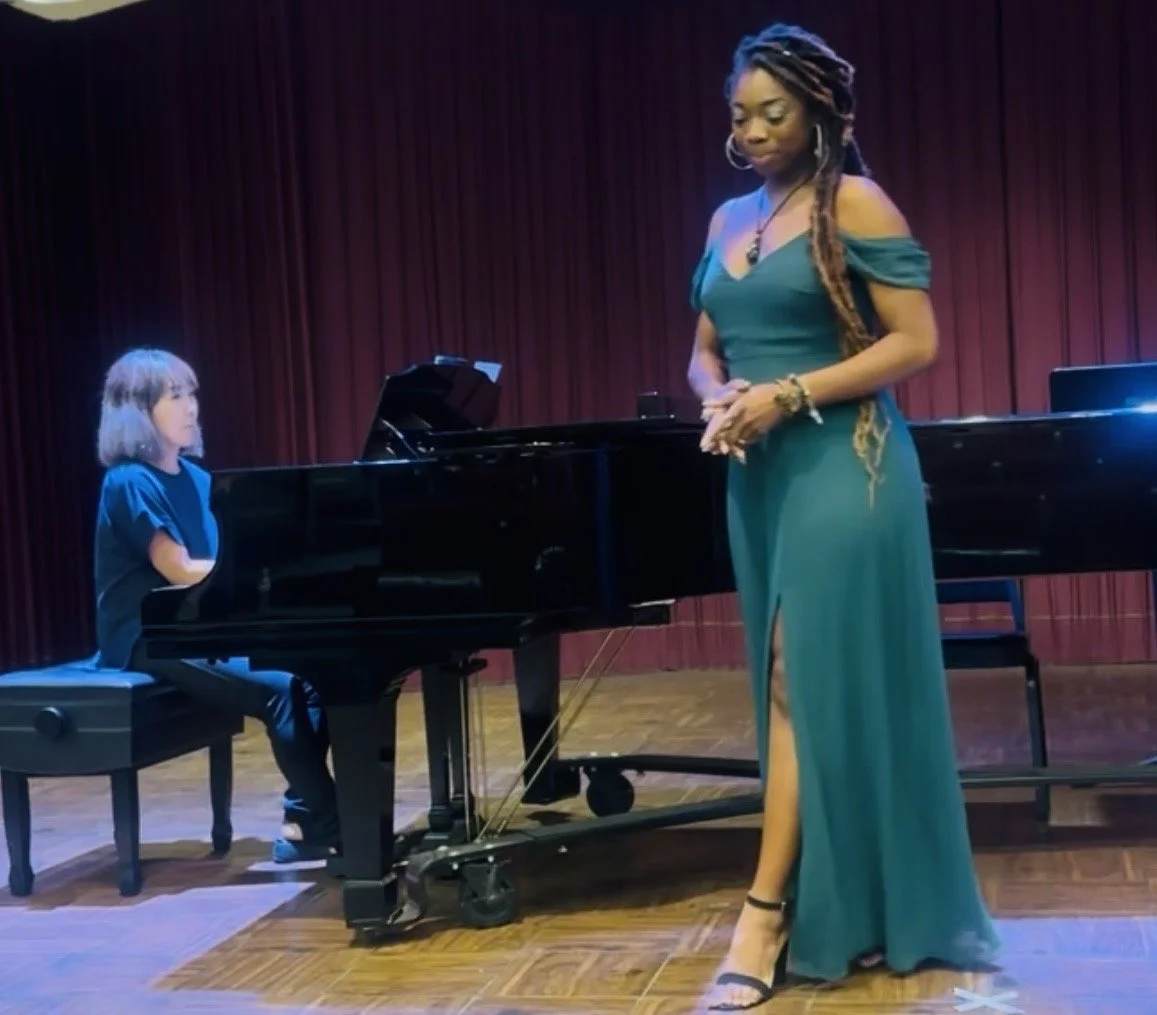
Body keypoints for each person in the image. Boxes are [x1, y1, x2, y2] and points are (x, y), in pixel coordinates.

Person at [687, 23, 1000, 1010]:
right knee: (802, 689)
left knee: (793, 676)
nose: (751, 130)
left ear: (819, 113)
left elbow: (915, 343)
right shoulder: (724, 218)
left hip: (845, 463)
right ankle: (849, 899)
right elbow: (703, 344)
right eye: (739, 114)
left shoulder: (854, 201)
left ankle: (764, 908)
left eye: (771, 112)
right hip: (759, 474)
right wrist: (713, 394)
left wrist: (788, 394)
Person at [92, 347, 340, 863]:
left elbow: (222, 562)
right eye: (174, 396)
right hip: (147, 634)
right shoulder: (128, 482)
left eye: (192, 393)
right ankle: (335, 826)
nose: (191, 407)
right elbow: (180, 570)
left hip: (196, 625)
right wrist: (261, 576)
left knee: (319, 673)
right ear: (138, 411)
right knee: (283, 692)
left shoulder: (198, 479)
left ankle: (307, 817)